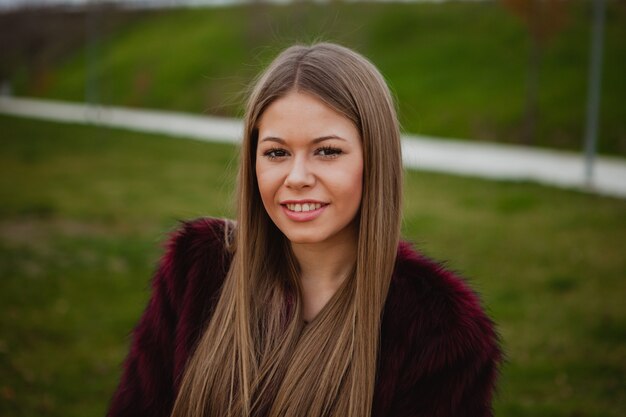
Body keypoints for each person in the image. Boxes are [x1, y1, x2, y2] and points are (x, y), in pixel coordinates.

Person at [107, 43, 502, 417]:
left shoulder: (440, 331)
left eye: (327, 151)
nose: (296, 178)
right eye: (276, 152)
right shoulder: (197, 270)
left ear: (376, 159)